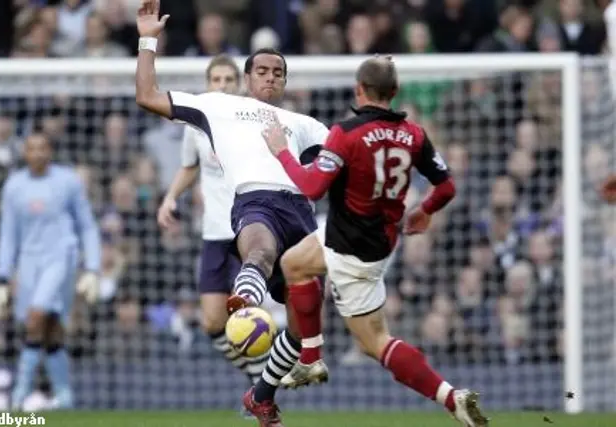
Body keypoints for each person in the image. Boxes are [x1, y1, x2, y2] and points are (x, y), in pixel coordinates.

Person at [260, 57, 489, 427]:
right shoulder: (415, 134)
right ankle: (311, 357)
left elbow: (311, 187)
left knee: (375, 342)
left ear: (358, 89)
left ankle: (450, 396)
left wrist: (281, 151)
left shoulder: (345, 133)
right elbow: (446, 187)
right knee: (293, 263)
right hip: (378, 239)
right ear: (395, 92)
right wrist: (424, 210)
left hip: (349, 249)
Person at [134, 2, 328, 425]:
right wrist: (148, 39)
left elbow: (338, 166)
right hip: (254, 201)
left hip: (302, 213)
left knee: (302, 323)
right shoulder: (218, 107)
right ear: (247, 77)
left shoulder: (306, 124)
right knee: (258, 248)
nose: (270, 78)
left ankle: (261, 396)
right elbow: (147, 96)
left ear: (285, 81)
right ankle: (247, 304)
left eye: (278, 73)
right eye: (262, 71)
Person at [157, 54, 269, 405]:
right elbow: (189, 167)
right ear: (207, 85)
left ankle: (263, 390)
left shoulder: (253, 123)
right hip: (212, 234)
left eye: (227, 80)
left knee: (245, 317)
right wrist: (170, 197)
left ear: (238, 84)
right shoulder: (197, 125)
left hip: (246, 233)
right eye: (215, 80)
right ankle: (258, 379)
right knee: (211, 323)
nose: (221, 86)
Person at [0, 133, 101, 410]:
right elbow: (8, 235)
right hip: (29, 263)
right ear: (25, 153)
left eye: (43, 148)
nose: (38, 153)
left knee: (35, 317)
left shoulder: (67, 181)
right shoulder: (14, 186)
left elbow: (87, 225)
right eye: (32, 148)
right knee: (51, 328)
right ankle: (65, 397)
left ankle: (19, 396)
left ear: (50, 151)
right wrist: (3, 278)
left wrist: (92, 268)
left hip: (61, 257)